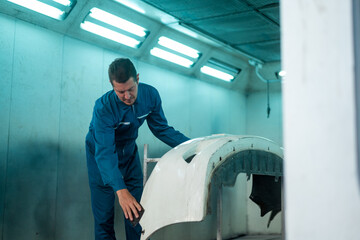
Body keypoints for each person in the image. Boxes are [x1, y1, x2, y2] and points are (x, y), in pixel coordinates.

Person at [85, 58, 189, 240]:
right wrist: (120, 190)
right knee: (104, 217)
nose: (127, 96)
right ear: (112, 85)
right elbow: (105, 153)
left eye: (131, 89)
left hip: (129, 152)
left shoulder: (151, 96)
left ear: (138, 79)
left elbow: (161, 128)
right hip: (101, 157)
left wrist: (193, 145)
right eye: (121, 91)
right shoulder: (103, 108)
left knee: (136, 214)